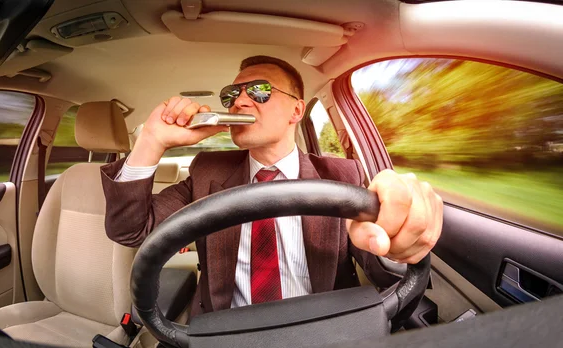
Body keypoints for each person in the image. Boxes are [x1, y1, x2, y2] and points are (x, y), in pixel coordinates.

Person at [100, 55, 443, 318]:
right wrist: (151, 141)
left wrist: (399, 236)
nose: (239, 102)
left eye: (260, 91)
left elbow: (383, 267)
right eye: (231, 94)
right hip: (229, 325)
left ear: (296, 110)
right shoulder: (207, 171)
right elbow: (131, 231)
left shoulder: (343, 175)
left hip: (322, 324)